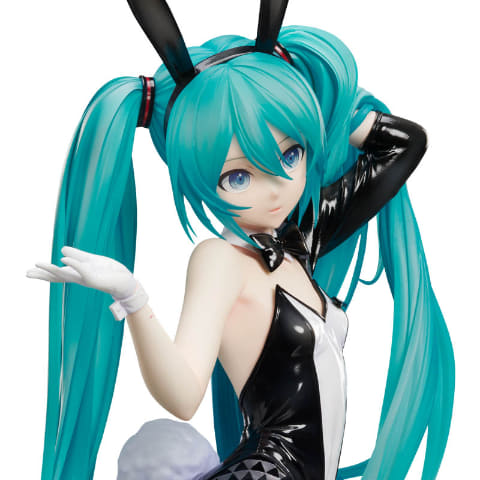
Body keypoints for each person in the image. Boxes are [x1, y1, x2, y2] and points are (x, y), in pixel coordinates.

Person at [27, 1, 454, 479]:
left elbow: (403, 144)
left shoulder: (299, 242)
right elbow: (183, 395)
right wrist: (133, 298)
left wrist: (317, 104)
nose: (274, 189)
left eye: (290, 154)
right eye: (238, 176)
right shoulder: (220, 260)